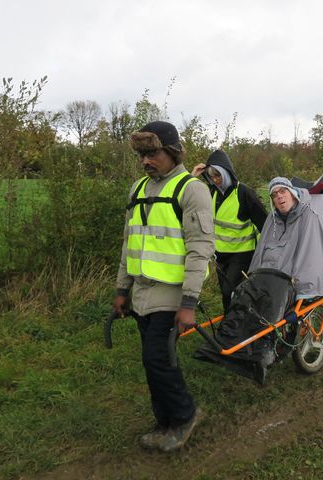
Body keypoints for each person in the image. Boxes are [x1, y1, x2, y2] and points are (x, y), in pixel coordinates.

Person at [113, 121, 215, 452]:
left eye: (153, 153)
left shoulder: (192, 189)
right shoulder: (138, 189)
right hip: (142, 293)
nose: (146, 160)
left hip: (172, 293)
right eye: (142, 154)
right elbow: (130, 244)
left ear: (172, 152)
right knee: (152, 360)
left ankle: (185, 416)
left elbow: (200, 249)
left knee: (157, 358)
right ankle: (165, 421)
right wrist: (121, 290)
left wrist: (188, 302)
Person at [196, 177, 323, 383]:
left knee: (269, 312)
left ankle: (261, 350)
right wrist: (254, 277)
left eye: (283, 192)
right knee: (247, 301)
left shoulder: (310, 215)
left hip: (297, 276)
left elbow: (311, 253)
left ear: (292, 192)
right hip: (275, 275)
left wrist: (301, 281)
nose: (279, 197)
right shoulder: (272, 218)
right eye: (275, 195)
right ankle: (231, 340)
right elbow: (263, 250)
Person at [192, 150, 267, 313]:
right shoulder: (212, 192)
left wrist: (267, 253)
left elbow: (264, 222)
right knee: (226, 294)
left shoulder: (244, 193)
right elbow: (188, 199)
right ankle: (231, 324)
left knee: (230, 291)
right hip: (220, 254)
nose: (215, 180)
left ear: (226, 173)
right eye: (211, 176)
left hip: (242, 254)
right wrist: (192, 177)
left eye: (218, 175)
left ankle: (239, 324)